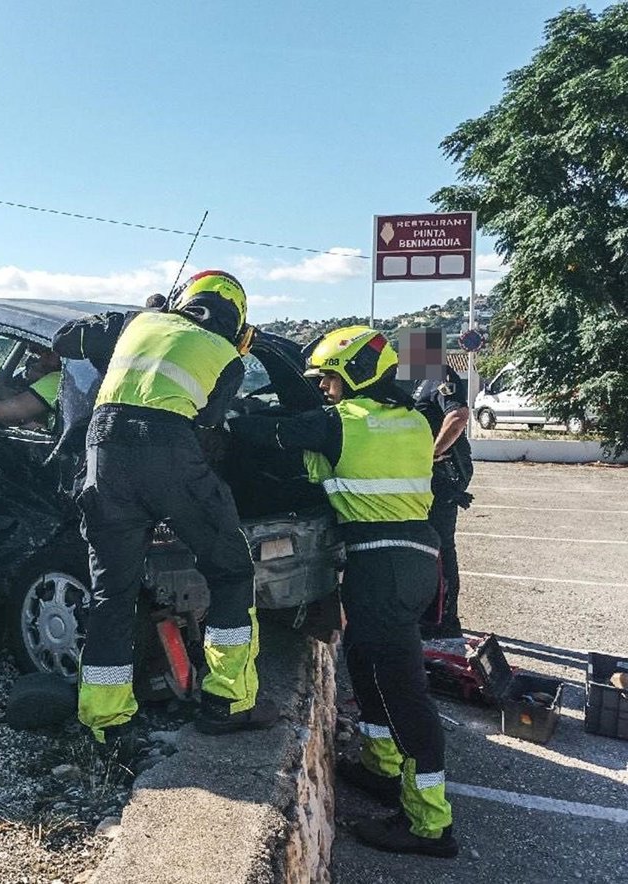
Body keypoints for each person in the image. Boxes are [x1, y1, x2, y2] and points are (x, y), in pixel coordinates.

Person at [229, 326, 457, 858]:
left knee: (404, 692)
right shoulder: (411, 420)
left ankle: (430, 824)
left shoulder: (341, 423)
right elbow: (330, 460)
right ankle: (380, 767)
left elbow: (269, 432)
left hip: (384, 567)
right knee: (365, 661)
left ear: (355, 375)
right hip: (409, 559)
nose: (324, 389)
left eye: (330, 379)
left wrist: (228, 417)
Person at [63, 269, 277, 754]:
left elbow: (65, 341)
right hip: (171, 454)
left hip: (103, 455)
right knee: (231, 572)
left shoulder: (137, 324)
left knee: (111, 594)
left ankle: (106, 724)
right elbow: (209, 420)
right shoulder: (228, 356)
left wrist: (143, 314)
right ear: (237, 321)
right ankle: (228, 702)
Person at [413, 364, 473, 643]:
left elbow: (458, 416)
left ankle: (445, 620)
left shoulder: (439, 374)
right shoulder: (414, 379)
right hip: (423, 480)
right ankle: (429, 615)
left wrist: (431, 453)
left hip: (441, 479)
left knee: (440, 547)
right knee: (425, 547)